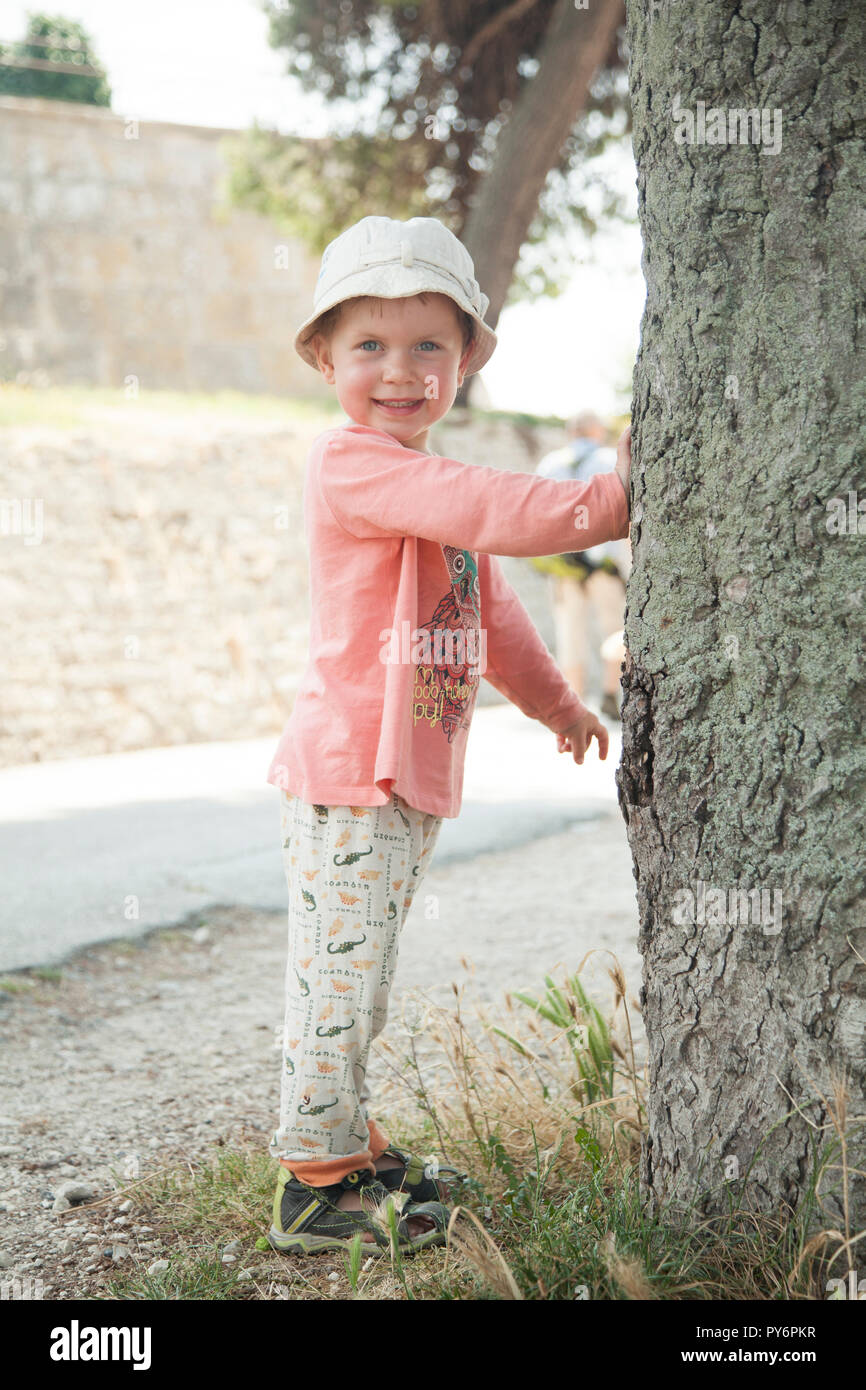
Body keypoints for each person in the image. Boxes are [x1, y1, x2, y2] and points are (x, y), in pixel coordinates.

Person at [264, 215, 632, 1256]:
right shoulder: (355, 464)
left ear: (464, 359)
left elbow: (492, 611)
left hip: (394, 781)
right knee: (335, 981)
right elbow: (494, 509)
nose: (399, 369)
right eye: (369, 345)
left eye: (429, 343)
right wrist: (609, 500)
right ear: (322, 357)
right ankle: (309, 1181)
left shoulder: (419, 480)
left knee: (360, 974)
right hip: (347, 772)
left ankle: (347, 1143)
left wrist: (558, 703)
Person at [533, 412, 631, 719]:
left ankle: (573, 704)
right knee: (613, 630)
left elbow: (539, 514)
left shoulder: (550, 464)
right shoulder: (608, 459)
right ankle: (610, 694)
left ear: (571, 432)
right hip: (603, 565)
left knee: (569, 634)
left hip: (565, 568)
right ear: (594, 430)